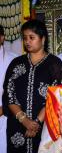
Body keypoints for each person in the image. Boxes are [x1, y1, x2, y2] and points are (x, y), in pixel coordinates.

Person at [2, 19, 62, 153]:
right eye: (24, 38)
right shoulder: (16, 63)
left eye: (31, 37)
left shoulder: (54, 64)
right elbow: (9, 94)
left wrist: (36, 123)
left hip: (44, 126)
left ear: (43, 39)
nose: (27, 41)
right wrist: (24, 120)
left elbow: (55, 97)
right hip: (17, 126)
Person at [0, 25, 17, 153]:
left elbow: (19, 90)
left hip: (6, 115)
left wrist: (3, 108)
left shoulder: (14, 59)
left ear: (2, 38)